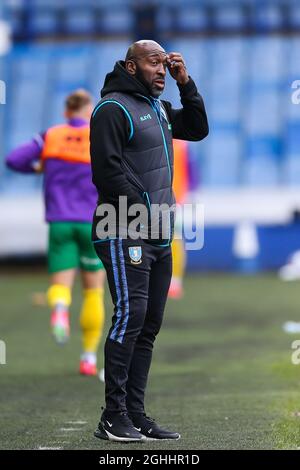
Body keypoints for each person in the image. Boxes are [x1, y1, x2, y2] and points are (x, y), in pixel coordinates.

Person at [90, 40, 208, 442]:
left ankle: (136, 415)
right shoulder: (112, 109)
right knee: (131, 317)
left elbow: (198, 128)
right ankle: (112, 416)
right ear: (131, 65)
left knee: (149, 324)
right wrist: (143, 206)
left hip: (159, 231)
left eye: (165, 63)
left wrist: (185, 83)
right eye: (153, 62)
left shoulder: (158, 107)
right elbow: (106, 174)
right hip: (122, 229)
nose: (161, 69)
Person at [6, 89, 105, 377]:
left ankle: (60, 309)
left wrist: (39, 167)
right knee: (93, 291)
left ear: (66, 112)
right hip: (92, 223)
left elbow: (13, 160)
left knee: (61, 283)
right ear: (89, 112)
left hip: (59, 221)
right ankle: (88, 356)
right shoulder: (97, 137)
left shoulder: (51, 135)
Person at [168, 139, 189, 299]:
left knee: (174, 240)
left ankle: (174, 282)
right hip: (163, 197)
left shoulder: (180, 145)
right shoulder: (181, 145)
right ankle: (173, 281)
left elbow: (189, 172)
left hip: (173, 198)